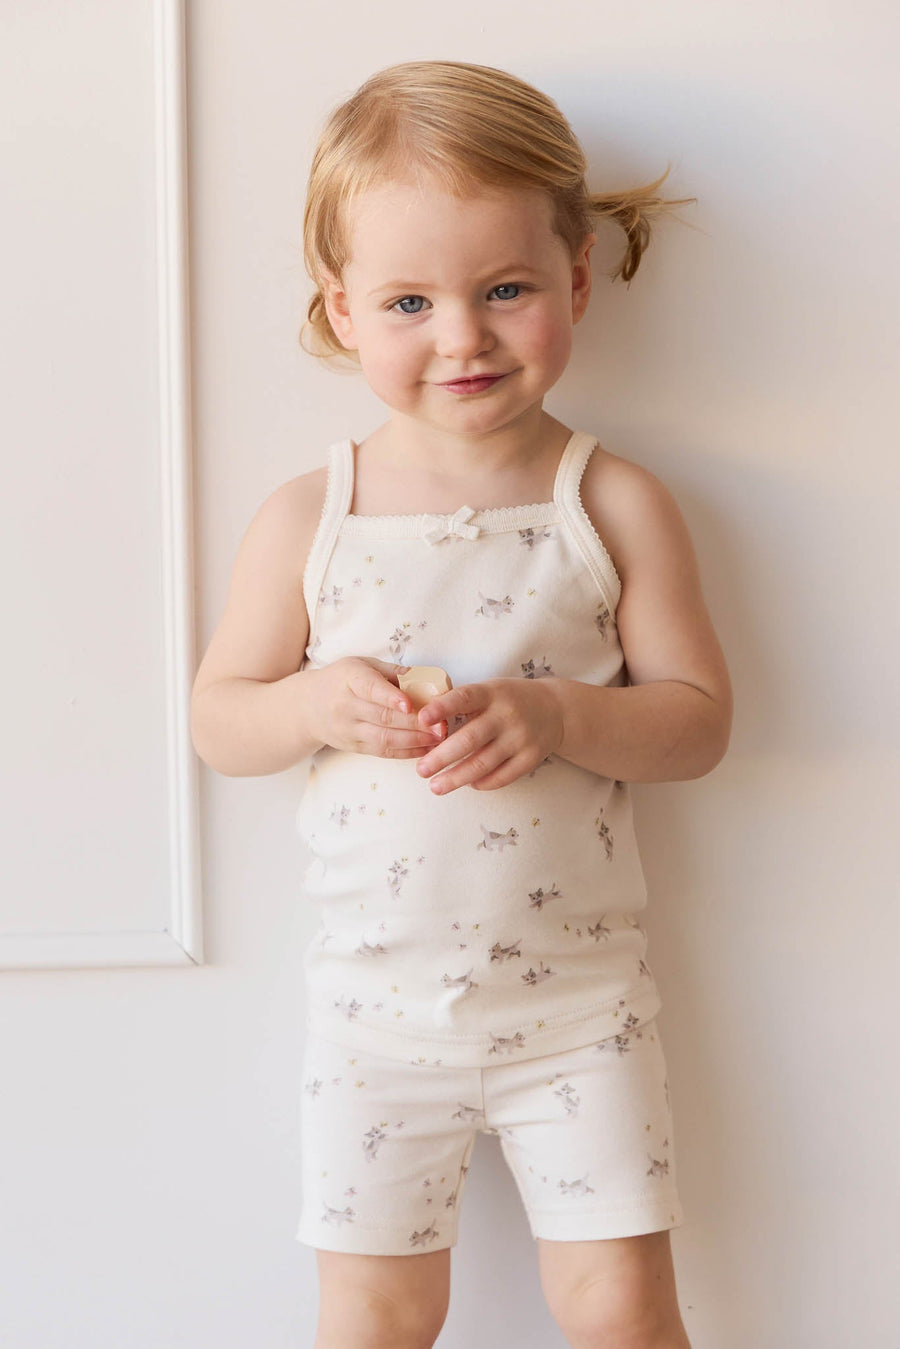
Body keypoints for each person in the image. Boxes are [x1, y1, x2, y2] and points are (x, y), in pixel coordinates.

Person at [191, 59, 732, 1349]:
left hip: (580, 1013)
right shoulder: (311, 517)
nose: (462, 338)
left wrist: (561, 718)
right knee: (375, 1317)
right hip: (374, 1022)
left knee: (623, 1310)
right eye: (409, 302)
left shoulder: (611, 503)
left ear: (577, 278)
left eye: (504, 290)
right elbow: (220, 720)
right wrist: (315, 703)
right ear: (343, 308)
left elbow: (698, 719)